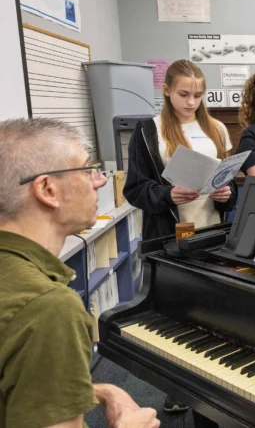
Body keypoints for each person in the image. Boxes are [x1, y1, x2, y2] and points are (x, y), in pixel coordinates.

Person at [0, 118, 160, 428]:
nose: (99, 181)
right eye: (87, 169)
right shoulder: (47, 307)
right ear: (48, 189)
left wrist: (95, 389)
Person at [124, 59, 236, 414]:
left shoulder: (216, 127)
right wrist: (166, 195)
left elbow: (227, 177)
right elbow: (135, 189)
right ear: (167, 91)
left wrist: (226, 192)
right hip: (170, 230)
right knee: (176, 309)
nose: (192, 102)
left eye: (199, 95)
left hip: (213, 230)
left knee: (216, 305)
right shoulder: (149, 130)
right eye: (184, 94)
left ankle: (220, 379)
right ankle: (179, 387)